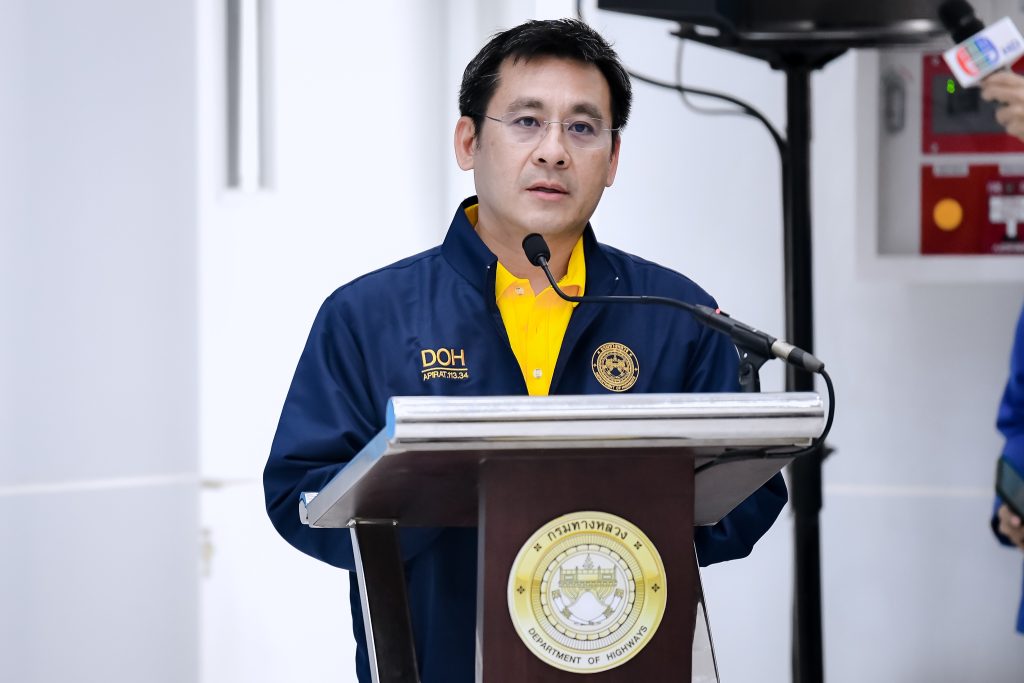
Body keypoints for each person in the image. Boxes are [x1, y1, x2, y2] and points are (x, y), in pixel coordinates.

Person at [264, 18, 788, 682]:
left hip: (622, 659)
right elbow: (300, 494)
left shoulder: (675, 312)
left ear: (613, 159)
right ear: (468, 141)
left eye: (583, 127)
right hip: (438, 662)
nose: (554, 151)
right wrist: (451, 502)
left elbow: (749, 498)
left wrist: (628, 518)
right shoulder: (369, 314)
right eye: (526, 122)